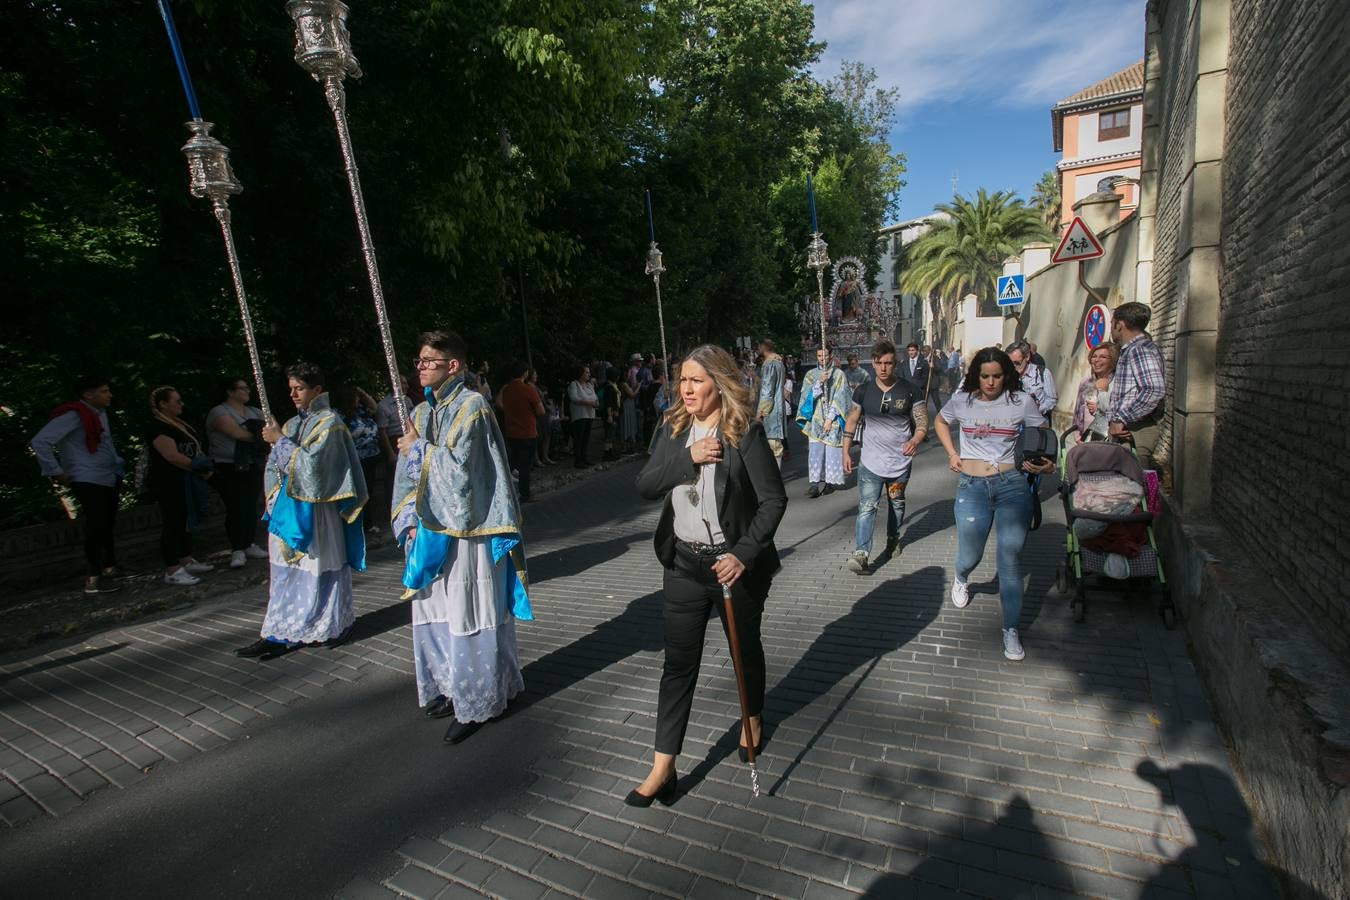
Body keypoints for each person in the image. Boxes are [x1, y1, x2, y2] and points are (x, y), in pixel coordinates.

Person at [627, 344, 786, 806]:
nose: (687, 388)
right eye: (682, 380)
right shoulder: (673, 427)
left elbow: (774, 501)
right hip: (683, 563)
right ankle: (663, 767)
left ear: (719, 383)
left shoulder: (745, 432)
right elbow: (644, 485)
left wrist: (743, 554)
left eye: (696, 380)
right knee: (678, 664)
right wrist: (688, 458)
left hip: (732, 567)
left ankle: (752, 717)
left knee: (743, 650)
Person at [393, 331, 531, 744]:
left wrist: (419, 451)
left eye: (428, 361)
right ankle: (449, 687)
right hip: (431, 529)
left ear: (453, 365)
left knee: (471, 609)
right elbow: (406, 476)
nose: (420, 368)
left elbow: (462, 480)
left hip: (470, 530)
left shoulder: (473, 407)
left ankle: (478, 700)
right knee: (436, 610)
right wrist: (408, 518)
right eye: (417, 361)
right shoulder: (420, 413)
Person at [235, 363, 367, 661]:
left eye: (300, 388)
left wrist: (279, 441)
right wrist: (273, 496)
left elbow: (314, 471)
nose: (293, 394)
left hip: (319, 513)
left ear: (317, 390)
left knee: (319, 569)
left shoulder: (329, 423)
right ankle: (280, 630)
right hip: (289, 509)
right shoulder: (292, 424)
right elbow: (275, 466)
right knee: (286, 572)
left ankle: (326, 625)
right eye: (291, 388)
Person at [933, 348, 1056, 662]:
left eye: (997, 376)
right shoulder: (962, 400)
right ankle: (961, 578)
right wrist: (951, 453)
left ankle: (1011, 629)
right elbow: (940, 421)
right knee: (969, 555)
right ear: (976, 374)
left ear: (1007, 375)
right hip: (972, 487)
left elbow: (1044, 435)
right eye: (985, 376)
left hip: (1012, 487)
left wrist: (1043, 463)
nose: (991, 382)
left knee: (1010, 559)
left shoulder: (1022, 402)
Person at [31, 375, 126, 594]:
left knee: (107, 522)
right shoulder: (74, 415)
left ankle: (110, 566)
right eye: (103, 391)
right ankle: (94, 576)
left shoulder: (99, 414)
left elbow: (105, 444)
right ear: (88, 394)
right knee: (96, 525)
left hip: (107, 474)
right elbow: (40, 441)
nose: (109, 394)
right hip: (86, 476)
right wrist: (56, 471)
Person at [841, 340, 928, 574]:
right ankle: (861, 553)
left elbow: (921, 421)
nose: (883, 368)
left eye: (888, 363)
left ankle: (893, 538)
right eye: (878, 363)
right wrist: (845, 451)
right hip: (870, 463)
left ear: (895, 363)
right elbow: (851, 420)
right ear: (873, 363)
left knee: (896, 504)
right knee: (867, 507)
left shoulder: (910, 390)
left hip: (899, 464)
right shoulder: (863, 390)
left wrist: (915, 440)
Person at [145, 386, 215, 586]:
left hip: (187, 480)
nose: (181, 404)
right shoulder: (158, 427)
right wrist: (197, 467)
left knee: (185, 519)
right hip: (170, 482)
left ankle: (186, 558)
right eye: (176, 401)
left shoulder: (179, 424)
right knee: (173, 521)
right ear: (163, 404)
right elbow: (171, 455)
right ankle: (172, 568)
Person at [205, 377, 268, 569]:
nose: (246, 391)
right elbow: (237, 434)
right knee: (236, 505)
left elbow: (269, 428)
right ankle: (237, 548)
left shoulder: (254, 411)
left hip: (252, 464)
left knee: (250, 504)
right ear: (230, 391)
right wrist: (258, 436)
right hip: (229, 466)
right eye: (242, 388)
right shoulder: (219, 412)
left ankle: (249, 543)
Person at [1108, 302, 1166, 469]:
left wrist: (1121, 418)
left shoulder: (1139, 350)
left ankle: (1152, 496)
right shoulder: (1134, 349)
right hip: (1130, 428)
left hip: (1136, 429)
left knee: (1137, 488)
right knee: (1132, 487)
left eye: (1112, 323)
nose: (1111, 328)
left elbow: (1154, 389)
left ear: (1120, 325)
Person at [333, 384, 390, 542]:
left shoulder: (362, 411)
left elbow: (374, 407)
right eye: (355, 397)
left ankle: (368, 524)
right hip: (354, 459)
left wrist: (361, 391)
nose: (358, 399)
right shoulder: (337, 415)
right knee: (358, 492)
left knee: (369, 491)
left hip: (371, 456)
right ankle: (356, 525)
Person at [796, 348, 851, 497]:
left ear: (830, 356)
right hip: (816, 418)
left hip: (832, 419)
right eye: (819, 355)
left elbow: (842, 398)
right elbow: (805, 398)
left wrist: (830, 418)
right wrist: (819, 383)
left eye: (825, 355)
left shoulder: (839, 374)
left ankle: (829, 482)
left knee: (831, 451)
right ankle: (814, 484)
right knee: (815, 451)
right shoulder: (811, 375)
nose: (822, 358)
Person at [499, 361, 545, 502]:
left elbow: (501, 404)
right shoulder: (527, 389)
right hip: (527, 431)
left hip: (511, 431)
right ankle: (525, 494)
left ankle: (504, 491)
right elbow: (541, 410)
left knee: (512, 462)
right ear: (525, 373)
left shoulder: (506, 390)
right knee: (525, 466)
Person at [1071, 343, 1120, 442]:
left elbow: (1118, 411)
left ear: (1113, 361)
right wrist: (1077, 435)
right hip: (1085, 437)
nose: (1097, 360)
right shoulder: (1086, 382)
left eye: (1103, 357)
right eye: (1094, 356)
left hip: (1108, 438)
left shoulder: (1118, 382)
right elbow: (1078, 411)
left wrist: (1099, 408)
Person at [1007, 340, 1058, 417]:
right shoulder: (1008, 376)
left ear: (1027, 357)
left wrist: (1036, 410)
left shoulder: (1043, 373)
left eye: (1017, 363)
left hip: (1037, 424)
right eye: (1011, 364)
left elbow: (1051, 400)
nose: (1014, 366)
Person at [755, 339, 786, 467]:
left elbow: (767, 390)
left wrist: (761, 411)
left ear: (764, 347)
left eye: (758, 346)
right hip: (778, 406)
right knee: (775, 444)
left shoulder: (770, 364)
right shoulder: (778, 363)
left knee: (772, 444)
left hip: (771, 410)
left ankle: (775, 476)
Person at [567, 364, 598, 467]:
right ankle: (578, 460)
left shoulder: (590, 385)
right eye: (586, 372)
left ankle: (585, 458)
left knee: (586, 438)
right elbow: (574, 398)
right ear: (581, 373)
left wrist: (595, 403)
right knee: (579, 438)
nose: (589, 374)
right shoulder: (574, 384)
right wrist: (589, 402)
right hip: (580, 415)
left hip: (590, 415)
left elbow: (595, 397)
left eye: (589, 372)